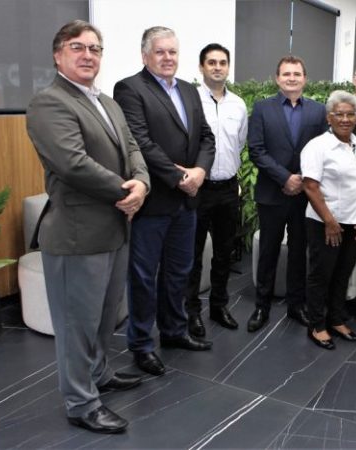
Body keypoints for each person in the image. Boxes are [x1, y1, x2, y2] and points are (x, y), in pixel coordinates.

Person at [26, 20, 150, 433]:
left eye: (95, 48)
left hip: (115, 229)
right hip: (77, 235)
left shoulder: (107, 102)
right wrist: (126, 191)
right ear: (58, 55)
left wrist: (142, 183)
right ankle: (81, 402)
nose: (88, 55)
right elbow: (72, 163)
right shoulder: (49, 102)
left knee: (103, 318)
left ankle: (98, 373)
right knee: (76, 326)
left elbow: (132, 148)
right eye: (77, 47)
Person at [114, 26, 216, 376]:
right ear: (145, 55)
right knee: (143, 277)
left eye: (172, 51)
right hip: (153, 202)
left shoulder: (189, 89)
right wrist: (180, 178)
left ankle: (174, 331)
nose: (168, 57)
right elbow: (140, 143)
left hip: (186, 204)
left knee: (178, 272)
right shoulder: (130, 88)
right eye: (160, 52)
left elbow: (206, 137)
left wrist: (200, 172)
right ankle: (142, 344)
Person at [247, 55, 328, 333]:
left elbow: (323, 151)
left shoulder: (318, 111)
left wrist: (301, 179)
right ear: (277, 78)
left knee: (298, 252)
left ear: (305, 78)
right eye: (286, 74)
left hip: (305, 195)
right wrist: (284, 177)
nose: (291, 78)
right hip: (272, 192)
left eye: (296, 74)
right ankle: (262, 306)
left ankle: (296, 305)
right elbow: (256, 149)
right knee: (268, 251)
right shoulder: (262, 108)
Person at [301, 90, 356, 350]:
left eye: (350, 114)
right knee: (321, 275)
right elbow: (310, 186)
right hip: (326, 224)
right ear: (329, 118)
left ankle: (336, 318)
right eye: (339, 114)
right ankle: (317, 325)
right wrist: (330, 222)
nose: (345, 119)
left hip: (355, 223)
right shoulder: (317, 146)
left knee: (343, 273)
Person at [184, 43, 248, 337]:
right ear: (201, 67)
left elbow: (240, 142)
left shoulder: (238, 105)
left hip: (228, 188)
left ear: (228, 67)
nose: (218, 67)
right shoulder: (190, 101)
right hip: (198, 189)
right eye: (211, 62)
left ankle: (219, 306)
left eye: (223, 62)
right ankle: (191, 312)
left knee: (224, 252)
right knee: (193, 254)